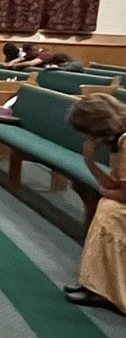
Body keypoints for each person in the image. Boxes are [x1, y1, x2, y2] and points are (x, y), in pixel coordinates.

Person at [65, 95, 126, 310]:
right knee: (105, 206)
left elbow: (122, 195)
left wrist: (102, 192)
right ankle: (96, 285)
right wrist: (89, 162)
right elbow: (116, 184)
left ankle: (105, 291)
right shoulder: (119, 138)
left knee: (108, 211)